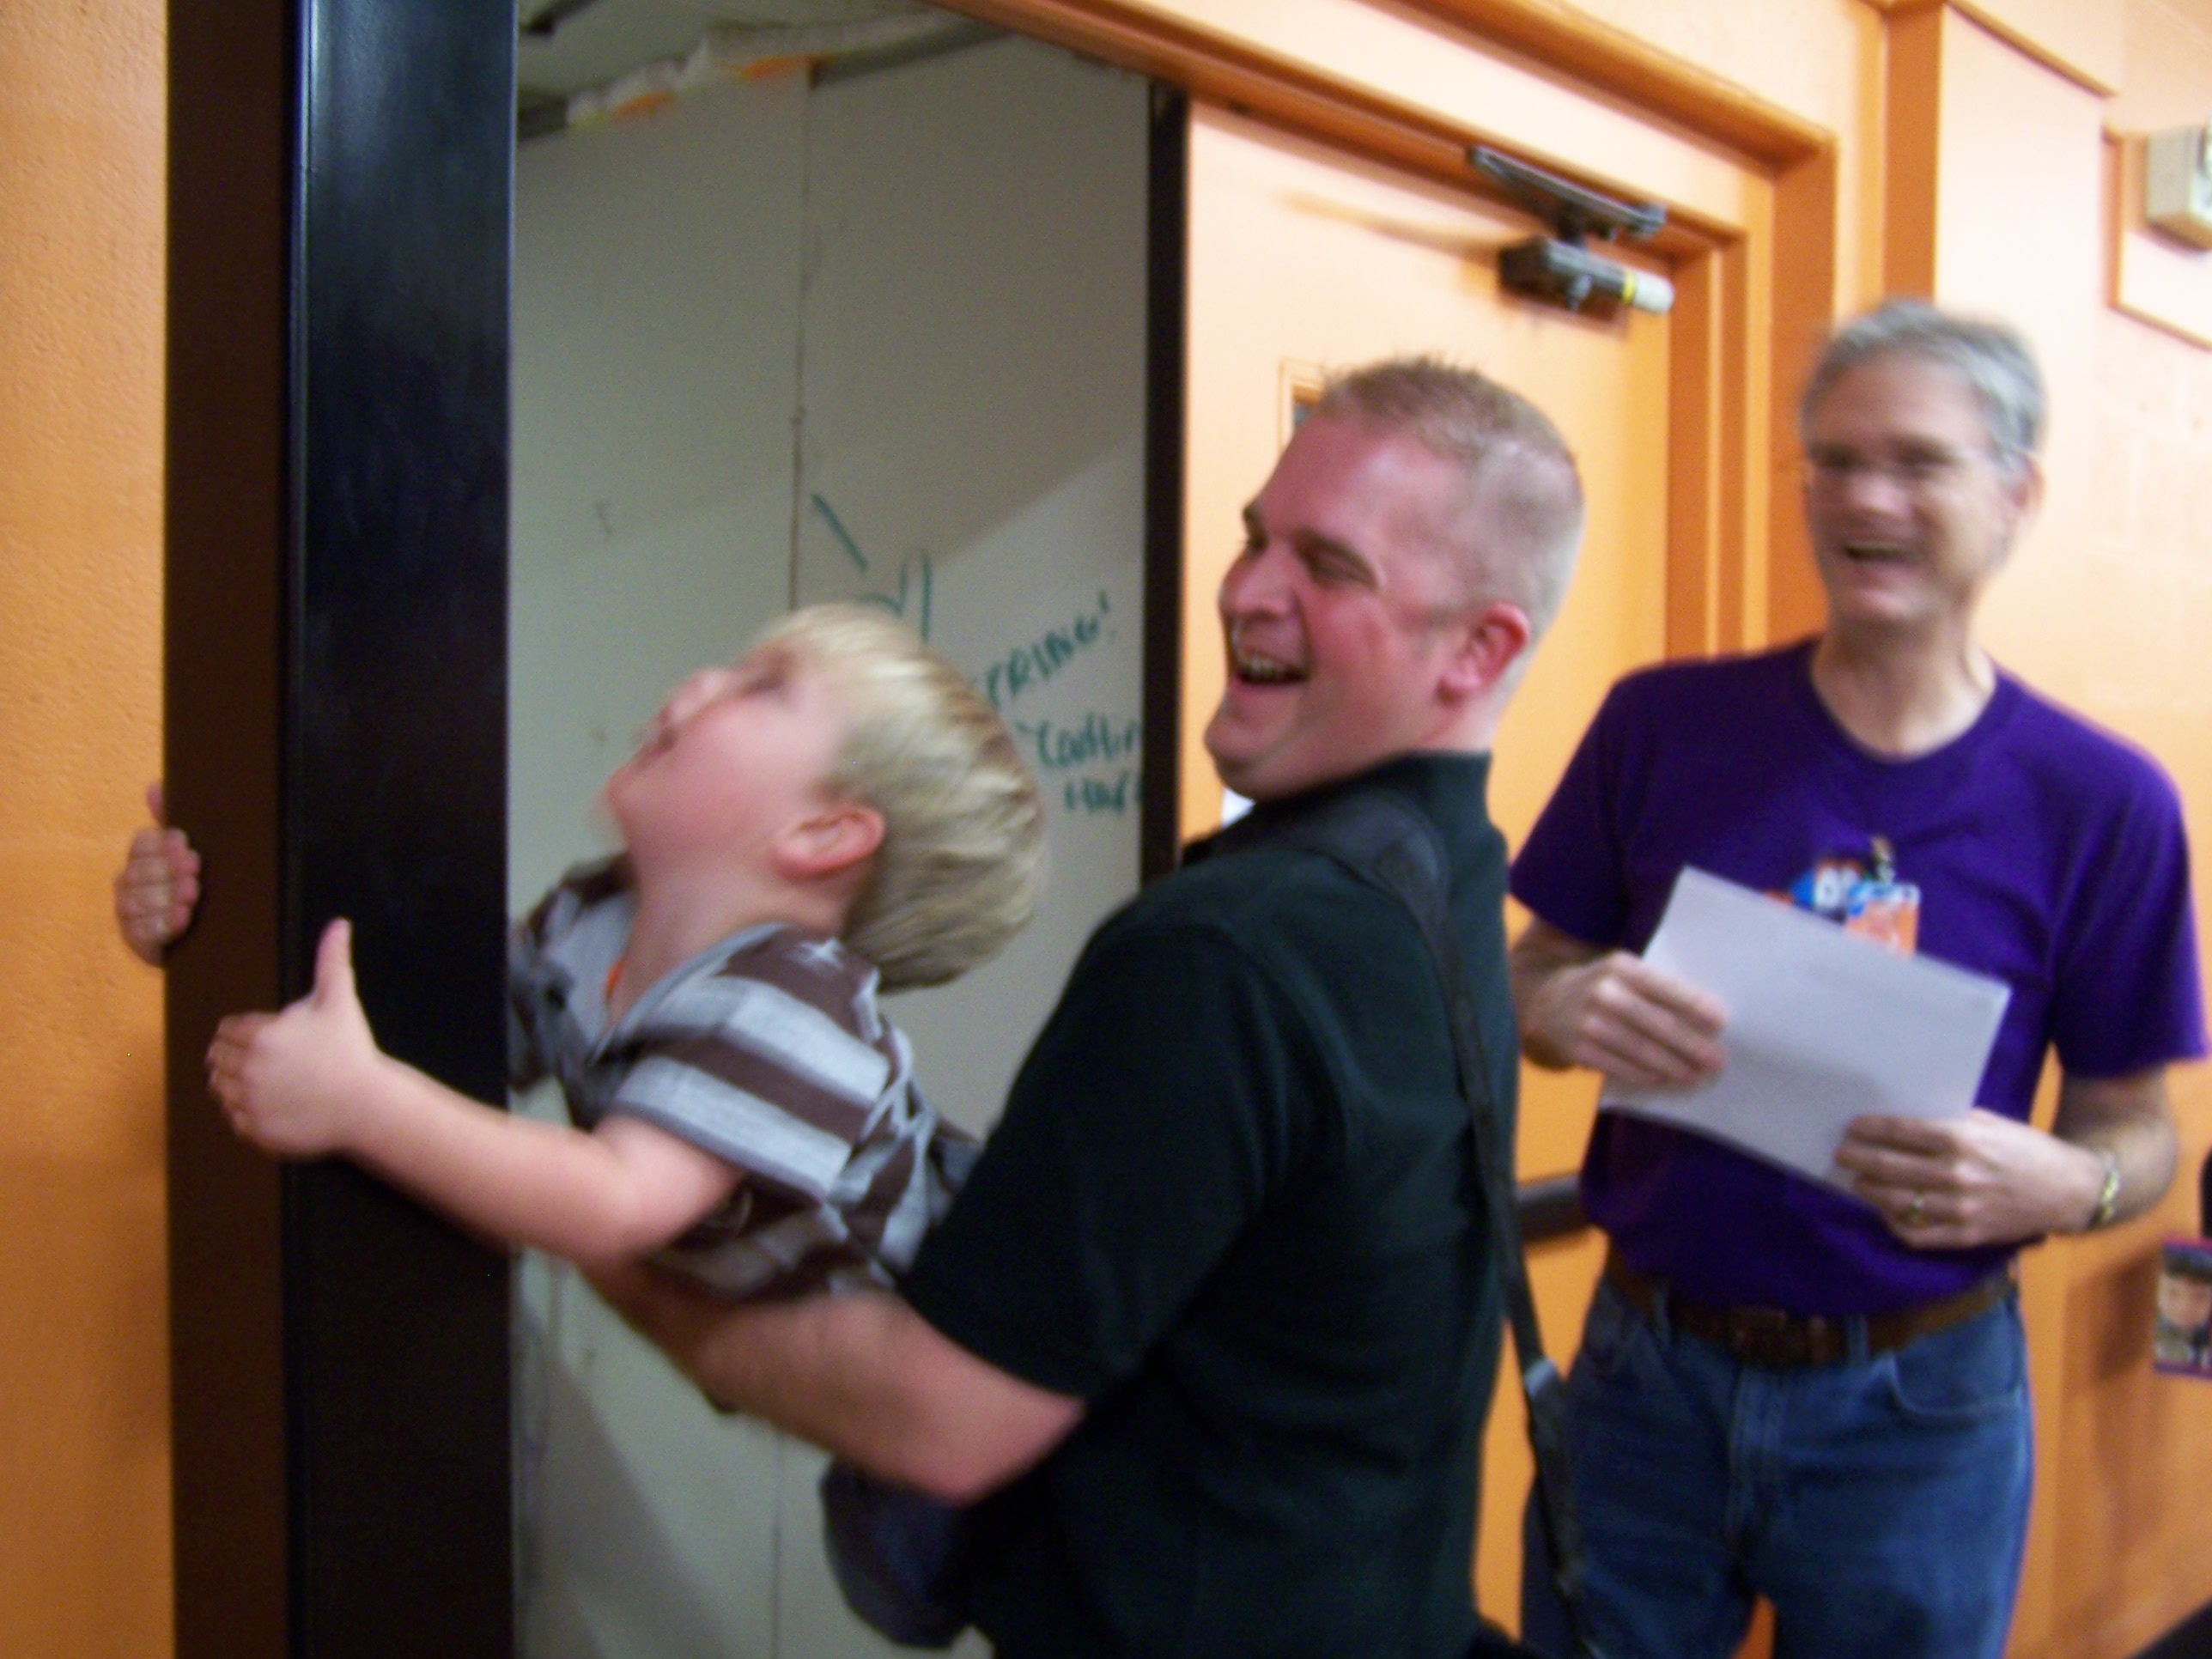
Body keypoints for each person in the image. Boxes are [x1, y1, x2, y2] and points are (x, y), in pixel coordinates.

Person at [588, 358, 1587, 1657]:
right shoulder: (1443, 876)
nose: (1246, 590)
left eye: (1329, 567)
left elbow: (944, 1419)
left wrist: (620, 1257)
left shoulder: (1231, 955)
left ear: (1480, 649)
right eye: (1255, 538)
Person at [1509, 301, 2207, 1659]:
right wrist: (1561, 1008)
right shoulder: (1664, 724)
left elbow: (2138, 1129)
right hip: (1645, 1375)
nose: (1863, 500)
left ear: (2016, 496)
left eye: (1917, 463)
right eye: (1832, 461)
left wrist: (2074, 1184)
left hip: (1922, 1404)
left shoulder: (2103, 802)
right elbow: (1534, 976)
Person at [149, 604, 1045, 1305]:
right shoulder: (596, 915)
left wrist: (361, 1104)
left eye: (764, 686)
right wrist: (216, 906)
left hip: (964, 1338)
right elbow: (428, 1032)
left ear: (822, 834)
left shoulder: (795, 1009)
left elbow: (614, 1202)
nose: (702, 680)